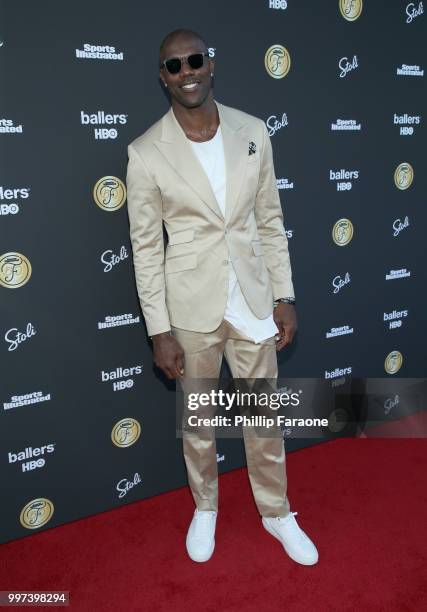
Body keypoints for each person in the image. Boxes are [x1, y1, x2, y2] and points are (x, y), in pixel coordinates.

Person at [126, 28, 318, 565]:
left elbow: (270, 220)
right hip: (190, 308)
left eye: (194, 61)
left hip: (253, 299)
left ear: (211, 65)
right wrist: (159, 330)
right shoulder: (145, 153)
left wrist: (284, 293)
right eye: (173, 66)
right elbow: (145, 250)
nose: (186, 72)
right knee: (200, 420)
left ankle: (278, 513)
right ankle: (205, 506)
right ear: (163, 78)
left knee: (263, 418)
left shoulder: (253, 131)